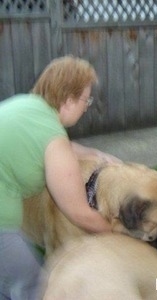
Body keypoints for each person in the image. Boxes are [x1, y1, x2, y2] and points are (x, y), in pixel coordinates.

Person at [0, 55, 121, 299]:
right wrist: (118, 234)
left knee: (6, 280)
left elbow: (54, 143)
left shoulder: (26, 105)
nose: (86, 107)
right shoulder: (53, 141)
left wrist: (94, 153)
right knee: (33, 283)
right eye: (86, 100)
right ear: (68, 101)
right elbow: (79, 213)